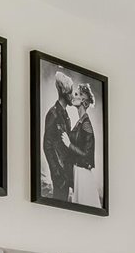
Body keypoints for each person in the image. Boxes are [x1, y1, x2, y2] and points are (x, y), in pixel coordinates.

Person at [39, 71, 95, 202]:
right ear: (64, 93)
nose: (73, 96)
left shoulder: (67, 116)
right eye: (71, 93)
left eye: (76, 94)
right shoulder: (53, 114)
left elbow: (86, 153)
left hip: (69, 173)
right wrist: (57, 174)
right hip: (61, 175)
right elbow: (47, 146)